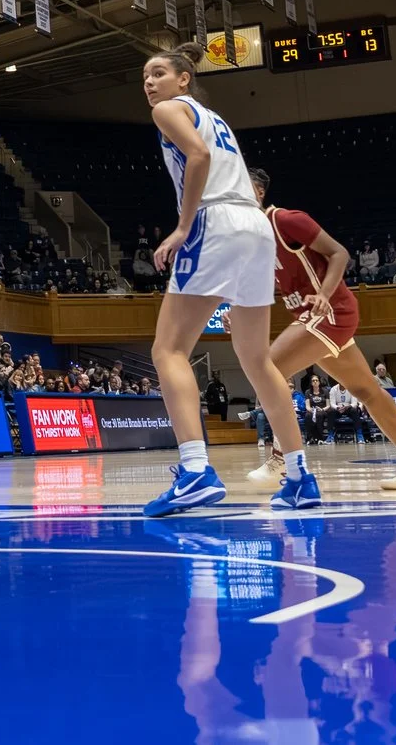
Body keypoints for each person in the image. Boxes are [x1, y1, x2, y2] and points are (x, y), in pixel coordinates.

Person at [132, 47, 311, 518]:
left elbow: (198, 155)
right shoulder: (215, 117)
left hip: (216, 222)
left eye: (159, 73)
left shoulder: (167, 110)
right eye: (145, 76)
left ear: (184, 79)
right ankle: (299, 475)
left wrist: (183, 225)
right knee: (257, 359)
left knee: (167, 350)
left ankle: (194, 471)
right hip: (254, 228)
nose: (149, 83)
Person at [242, 169, 396, 491]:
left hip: (330, 310)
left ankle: (282, 459)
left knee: (268, 368)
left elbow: (339, 253)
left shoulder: (285, 220)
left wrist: (323, 293)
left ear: (258, 191)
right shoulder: (254, 239)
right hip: (315, 318)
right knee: (367, 392)